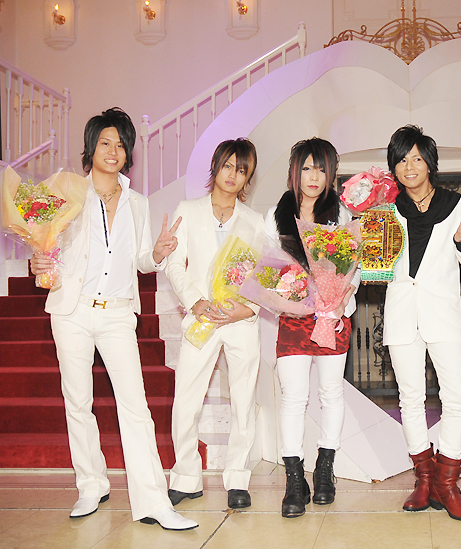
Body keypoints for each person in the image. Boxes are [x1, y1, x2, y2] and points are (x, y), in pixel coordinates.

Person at [30, 108, 196, 530]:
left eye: (121, 145)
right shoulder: (67, 193)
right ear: (91, 148)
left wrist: (157, 253)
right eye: (105, 142)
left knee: (136, 406)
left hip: (118, 312)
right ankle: (91, 484)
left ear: (128, 153)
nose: (113, 151)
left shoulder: (137, 203)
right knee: (78, 401)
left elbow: (140, 260)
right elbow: (45, 245)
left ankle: (154, 502)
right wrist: (38, 260)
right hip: (72, 310)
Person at [383, 125, 461, 521]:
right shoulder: (385, 210)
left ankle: (447, 483)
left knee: (457, 397)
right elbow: (377, 270)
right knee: (410, 399)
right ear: (394, 167)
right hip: (401, 313)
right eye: (402, 160)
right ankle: (424, 480)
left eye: (417, 159)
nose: (410, 166)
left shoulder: (457, 205)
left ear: (430, 164)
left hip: (442, 313)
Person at [166, 138, 267, 510]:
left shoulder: (254, 221)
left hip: (240, 322)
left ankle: (237, 478)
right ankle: (186, 477)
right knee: (186, 400)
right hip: (201, 319)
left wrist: (248, 309)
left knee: (243, 402)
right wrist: (195, 302)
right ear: (215, 167)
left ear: (247, 177)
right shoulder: (188, 210)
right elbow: (174, 264)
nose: (233, 175)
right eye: (228, 166)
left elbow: (263, 275)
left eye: (241, 170)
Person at [265, 137, 359, 518]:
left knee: (331, 393)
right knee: (293, 396)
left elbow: (356, 267)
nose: (314, 176)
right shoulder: (275, 216)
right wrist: (288, 297)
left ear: (331, 173)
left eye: (321, 168)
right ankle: (293, 480)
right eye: (306, 168)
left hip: (332, 317)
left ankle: (324, 471)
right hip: (291, 319)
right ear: (295, 172)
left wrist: (340, 296)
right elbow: (266, 268)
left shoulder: (342, 216)